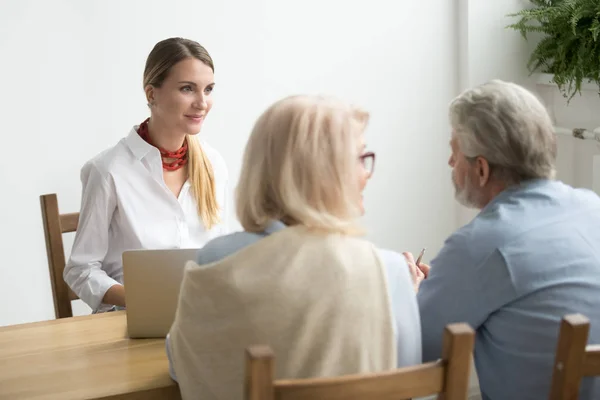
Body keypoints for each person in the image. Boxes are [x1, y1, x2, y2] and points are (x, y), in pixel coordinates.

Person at [166, 95, 422, 399]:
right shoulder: (387, 271)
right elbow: (410, 387)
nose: (366, 173)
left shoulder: (214, 259)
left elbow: (182, 365)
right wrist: (401, 295)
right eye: (359, 158)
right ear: (326, 173)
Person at [412, 80, 600, 400]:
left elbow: (416, 350)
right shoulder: (592, 206)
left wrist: (413, 293)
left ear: (481, 169)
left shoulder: (478, 247)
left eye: (454, 151)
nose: (450, 162)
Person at [64, 37, 229, 313]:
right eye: (188, 88)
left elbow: (222, 254)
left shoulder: (213, 164)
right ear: (151, 94)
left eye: (208, 89)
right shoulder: (108, 170)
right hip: (130, 321)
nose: (202, 103)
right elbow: (80, 270)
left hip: (199, 317)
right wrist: (144, 299)